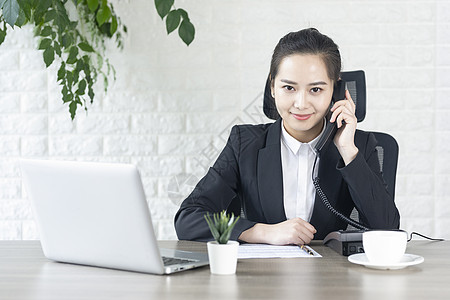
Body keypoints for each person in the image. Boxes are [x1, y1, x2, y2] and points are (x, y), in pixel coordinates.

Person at [174, 28, 400, 245]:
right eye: (289, 88)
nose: (301, 104)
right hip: (263, 279)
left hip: (333, 280)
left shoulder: (358, 146)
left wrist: (347, 151)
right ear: (273, 87)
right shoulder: (244, 144)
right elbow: (188, 220)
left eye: (316, 89)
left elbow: (388, 230)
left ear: (336, 91)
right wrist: (262, 231)